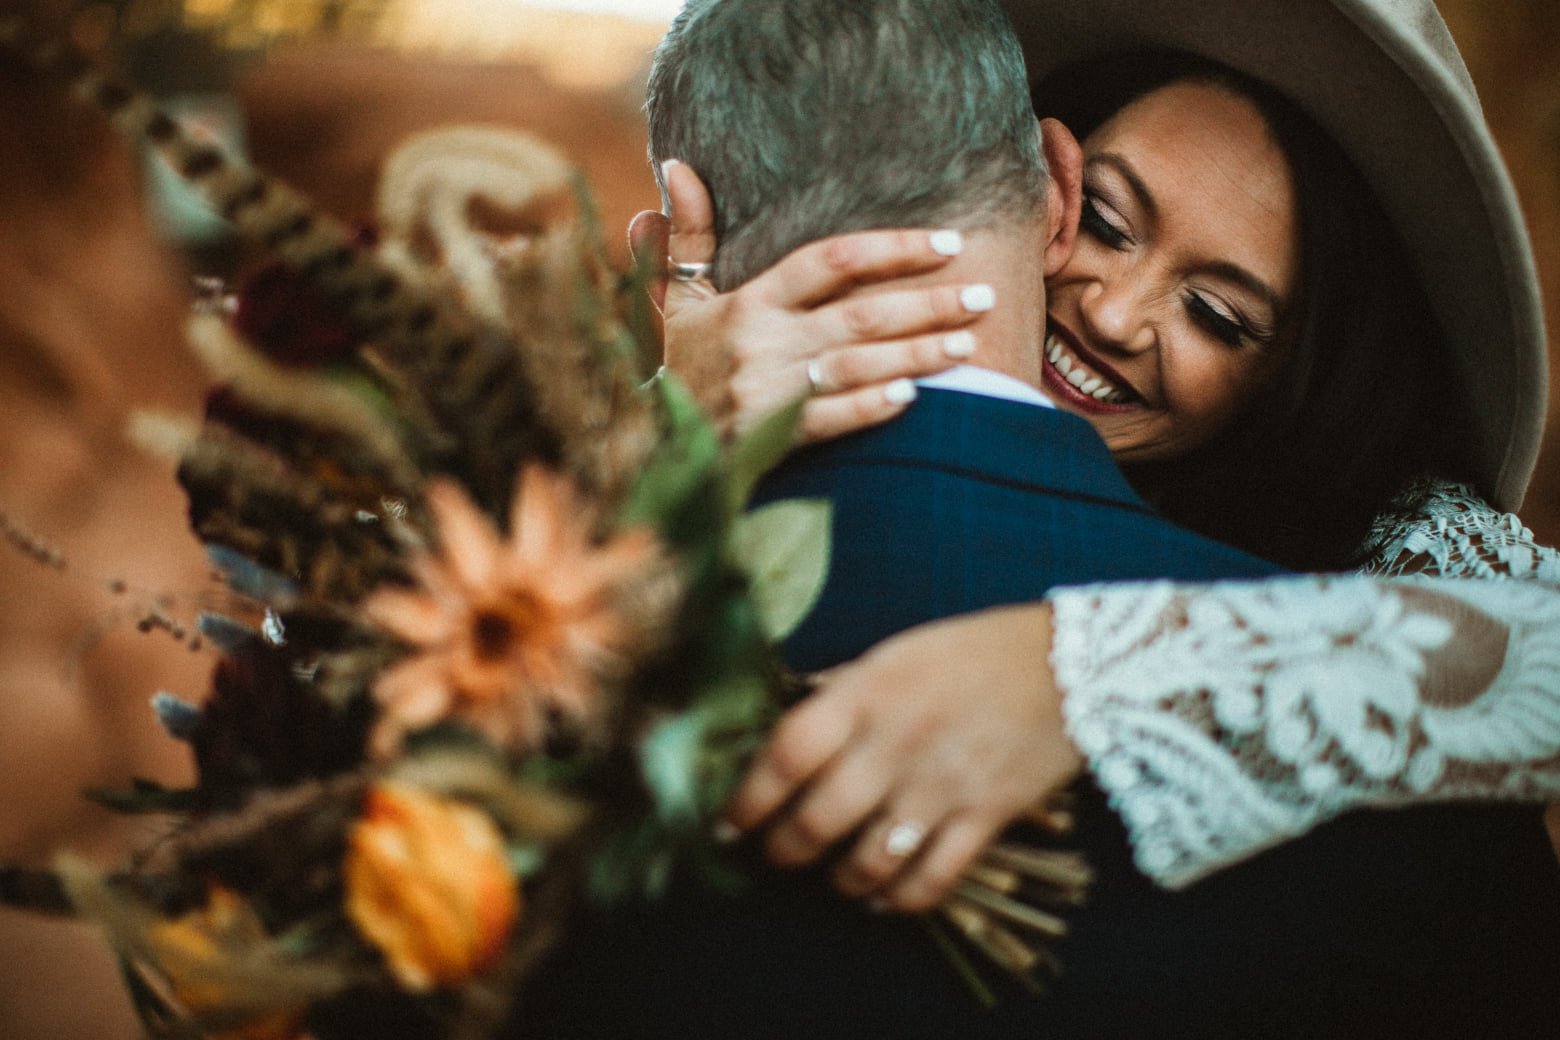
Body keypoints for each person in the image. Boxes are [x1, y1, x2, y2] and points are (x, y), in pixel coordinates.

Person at [513, 1, 1560, 1037]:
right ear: (1052, 190)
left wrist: (1090, 670)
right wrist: (661, 435)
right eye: (1107, 223)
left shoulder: (1378, 696)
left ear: (1287, 391)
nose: (1109, 313)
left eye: (1218, 316)